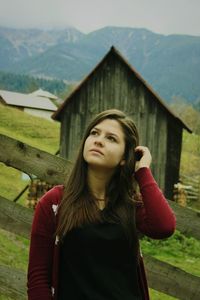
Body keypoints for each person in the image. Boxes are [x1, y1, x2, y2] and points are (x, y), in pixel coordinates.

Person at [27, 109, 176, 300]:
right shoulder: (55, 203)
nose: (98, 140)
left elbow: (164, 227)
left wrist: (143, 171)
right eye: (94, 133)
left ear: (124, 158)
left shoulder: (130, 204)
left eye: (111, 138)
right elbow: (38, 279)